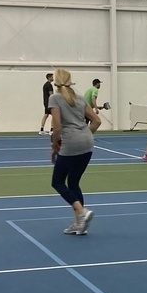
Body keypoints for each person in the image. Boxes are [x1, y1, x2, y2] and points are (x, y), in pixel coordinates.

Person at [48, 68, 100, 235]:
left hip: (70, 143)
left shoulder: (54, 98)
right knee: (74, 182)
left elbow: (57, 127)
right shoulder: (79, 98)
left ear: (55, 81)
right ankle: (79, 224)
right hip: (87, 143)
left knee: (57, 181)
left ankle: (81, 211)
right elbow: (96, 121)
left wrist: (55, 146)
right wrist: (85, 136)